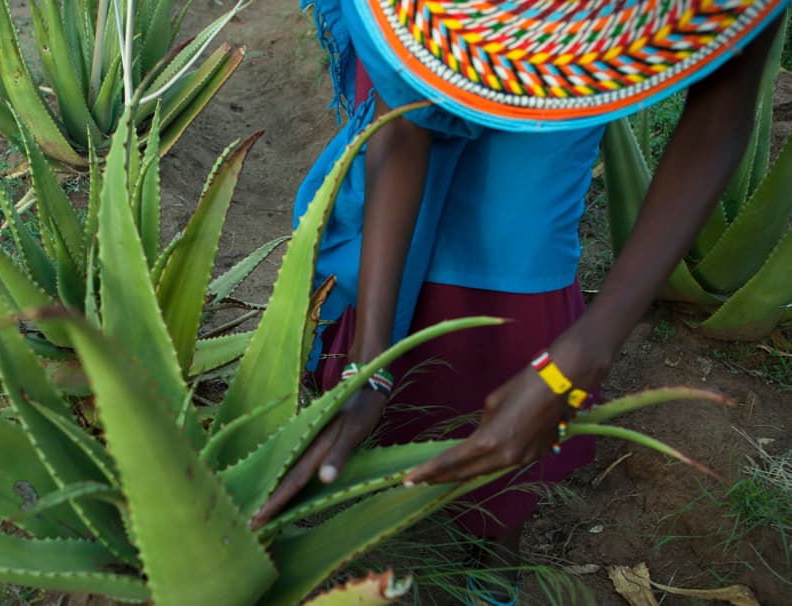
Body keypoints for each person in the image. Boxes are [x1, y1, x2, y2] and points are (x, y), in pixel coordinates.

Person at [251, 1, 789, 604]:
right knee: (402, 256)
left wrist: (586, 351)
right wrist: (370, 362)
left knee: (513, 264)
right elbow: (401, 125)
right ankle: (381, 435)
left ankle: (494, 543)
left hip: (572, 79)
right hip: (430, 56)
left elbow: (719, 115)